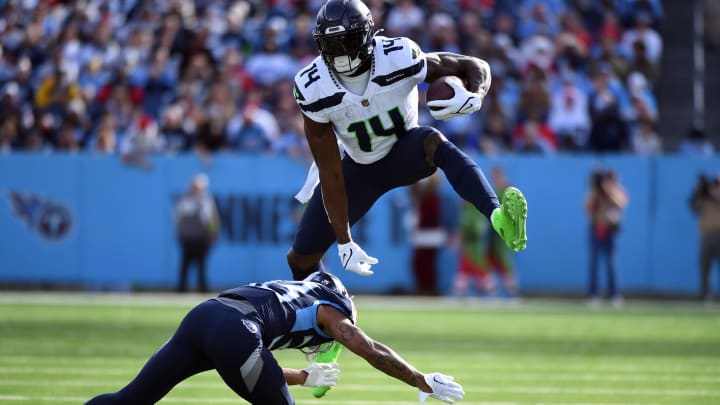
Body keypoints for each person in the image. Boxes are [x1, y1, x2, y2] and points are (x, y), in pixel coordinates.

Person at [289, 0, 527, 387]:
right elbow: (331, 170)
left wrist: (475, 94)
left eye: (348, 42)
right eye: (332, 46)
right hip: (357, 168)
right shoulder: (312, 86)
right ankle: (329, 327)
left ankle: (499, 218)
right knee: (301, 259)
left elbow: (475, 66)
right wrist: (344, 239)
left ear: (367, 37)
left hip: (403, 151)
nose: (342, 54)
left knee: (435, 142)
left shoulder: (399, 55)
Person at [85, 271, 465, 404]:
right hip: (235, 330)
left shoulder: (292, 293)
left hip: (205, 316)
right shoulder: (329, 308)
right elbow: (368, 348)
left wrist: (302, 377)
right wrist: (421, 380)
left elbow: (252, 362)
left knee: (131, 399)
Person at [584, 168, 628, 307]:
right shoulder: (595, 193)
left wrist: (609, 191)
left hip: (610, 230)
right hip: (596, 228)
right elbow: (587, 207)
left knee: (611, 264)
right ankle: (593, 294)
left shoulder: (617, 191)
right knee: (594, 263)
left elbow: (622, 203)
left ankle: (614, 295)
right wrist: (596, 192)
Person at [174, 173, 220, 293]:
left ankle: (202, 289)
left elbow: (213, 220)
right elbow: (178, 219)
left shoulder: (207, 201)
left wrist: (213, 234)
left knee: (202, 266)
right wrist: (181, 234)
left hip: (201, 238)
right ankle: (182, 289)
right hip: (188, 238)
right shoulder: (185, 200)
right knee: (185, 265)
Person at [689, 173, 720, 305]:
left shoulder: (714, 196)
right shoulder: (705, 197)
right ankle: (705, 297)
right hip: (706, 237)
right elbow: (693, 207)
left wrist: (710, 192)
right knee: (705, 269)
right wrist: (698, 191)